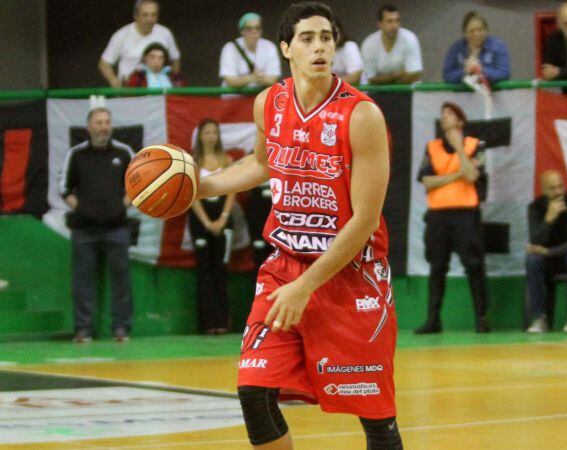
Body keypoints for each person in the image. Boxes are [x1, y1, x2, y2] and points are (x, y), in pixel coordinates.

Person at [196, 3, 402, 448]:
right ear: (286, 48)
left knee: (375, 419)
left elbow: (366, 220)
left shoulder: (362, 116)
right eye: (307, 38)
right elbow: (261, 164)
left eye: (326, 37)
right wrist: (198, 187)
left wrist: (307, 285)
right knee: (253, 392)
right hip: (285, 266)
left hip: (352, 277)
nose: (320, 47)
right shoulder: (268, 102)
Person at [59, 108, 134, 343]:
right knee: (82, 280)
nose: (104, 126)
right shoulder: (76, 155)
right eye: (99, 122)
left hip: (117, 228)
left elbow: (138, 184)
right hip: (84, 230)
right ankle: (83, 329)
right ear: (89, 127)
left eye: (107, 122)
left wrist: (120, 207)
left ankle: (121, 328)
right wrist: (82, 209)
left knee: (121, 279)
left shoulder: (124, 153)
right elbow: (64, 189)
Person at [413, 102, 489, 335]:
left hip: (466, 215)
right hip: (438, 216)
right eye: (443, 114)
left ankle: (481, 318)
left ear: (460, 121)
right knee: (437, 267)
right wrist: (457, 175)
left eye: (450, 114)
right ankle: (433, 320)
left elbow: (473, 175)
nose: (445, 117)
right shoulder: (432, 147)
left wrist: (458, 149)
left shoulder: (476, 145)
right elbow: (426, 181)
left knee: (474, 266)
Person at [525, 170, 567, 333]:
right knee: (532, 259)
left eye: (561, 186)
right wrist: (548, 219)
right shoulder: (535, 207)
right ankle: (539, 319)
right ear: (544, 190)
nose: (559, 192)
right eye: (553, 188)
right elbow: (535, 241)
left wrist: (549, 252)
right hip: (550, 261)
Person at [189, 119, 235, 335]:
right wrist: (207, 222)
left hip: (223, 219)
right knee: (204, 270)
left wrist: (223, 219)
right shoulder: (193, 161)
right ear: (200, 136)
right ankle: (207, 323)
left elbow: (232, 190)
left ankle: (222, 322)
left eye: (214, 132)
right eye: (206, 132)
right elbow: (190, 194)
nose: (211, 136)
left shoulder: (227, 160)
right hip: (200, 218)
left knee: (221, 270)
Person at [99, 0, 181, 88]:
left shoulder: (165, 33)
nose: (149, 19)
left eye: (153, 15)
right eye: (145, 15)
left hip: (159, 93)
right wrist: (114, 82)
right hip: (130, 92)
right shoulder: (121, 35)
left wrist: (175, 82)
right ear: (136, 16)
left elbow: (175, 58)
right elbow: (104, 64)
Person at [443, 11, 510, 85]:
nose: (476, 34)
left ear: (486, 30)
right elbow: (447, 75)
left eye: (480, 30)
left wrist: (480, 70)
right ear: (465, 33)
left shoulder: (497, 46)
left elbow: (504, 74)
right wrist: (464, 71)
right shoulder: (456, 49)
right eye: (472, 31)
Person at [361, 4, 423, 85]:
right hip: (377, 91)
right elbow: (371, 78)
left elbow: (415, 74)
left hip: (406, 90)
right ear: (380, 24)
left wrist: (386, 80)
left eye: (397, 20)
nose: (394, 25)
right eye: (389, 21)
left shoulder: (410, 38)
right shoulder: (368, 44)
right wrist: (399, 74)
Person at [219, 12, 281, 88]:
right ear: (242, 31)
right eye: (249, 28)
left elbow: (273, 79)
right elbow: (230, 80)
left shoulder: (270, 47)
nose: (254, 31)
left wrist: (257, 78)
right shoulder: (230, 48)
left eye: (257, 28)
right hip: (233, 98)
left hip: (257, 97)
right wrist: (253, 78)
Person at [332, 17, 364, 85]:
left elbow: (355, 76)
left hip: (355, 93)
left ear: (340, 32)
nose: (332, 37)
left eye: (335, 33)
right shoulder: (318, 51)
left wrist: (330, 86)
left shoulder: (349, 46)